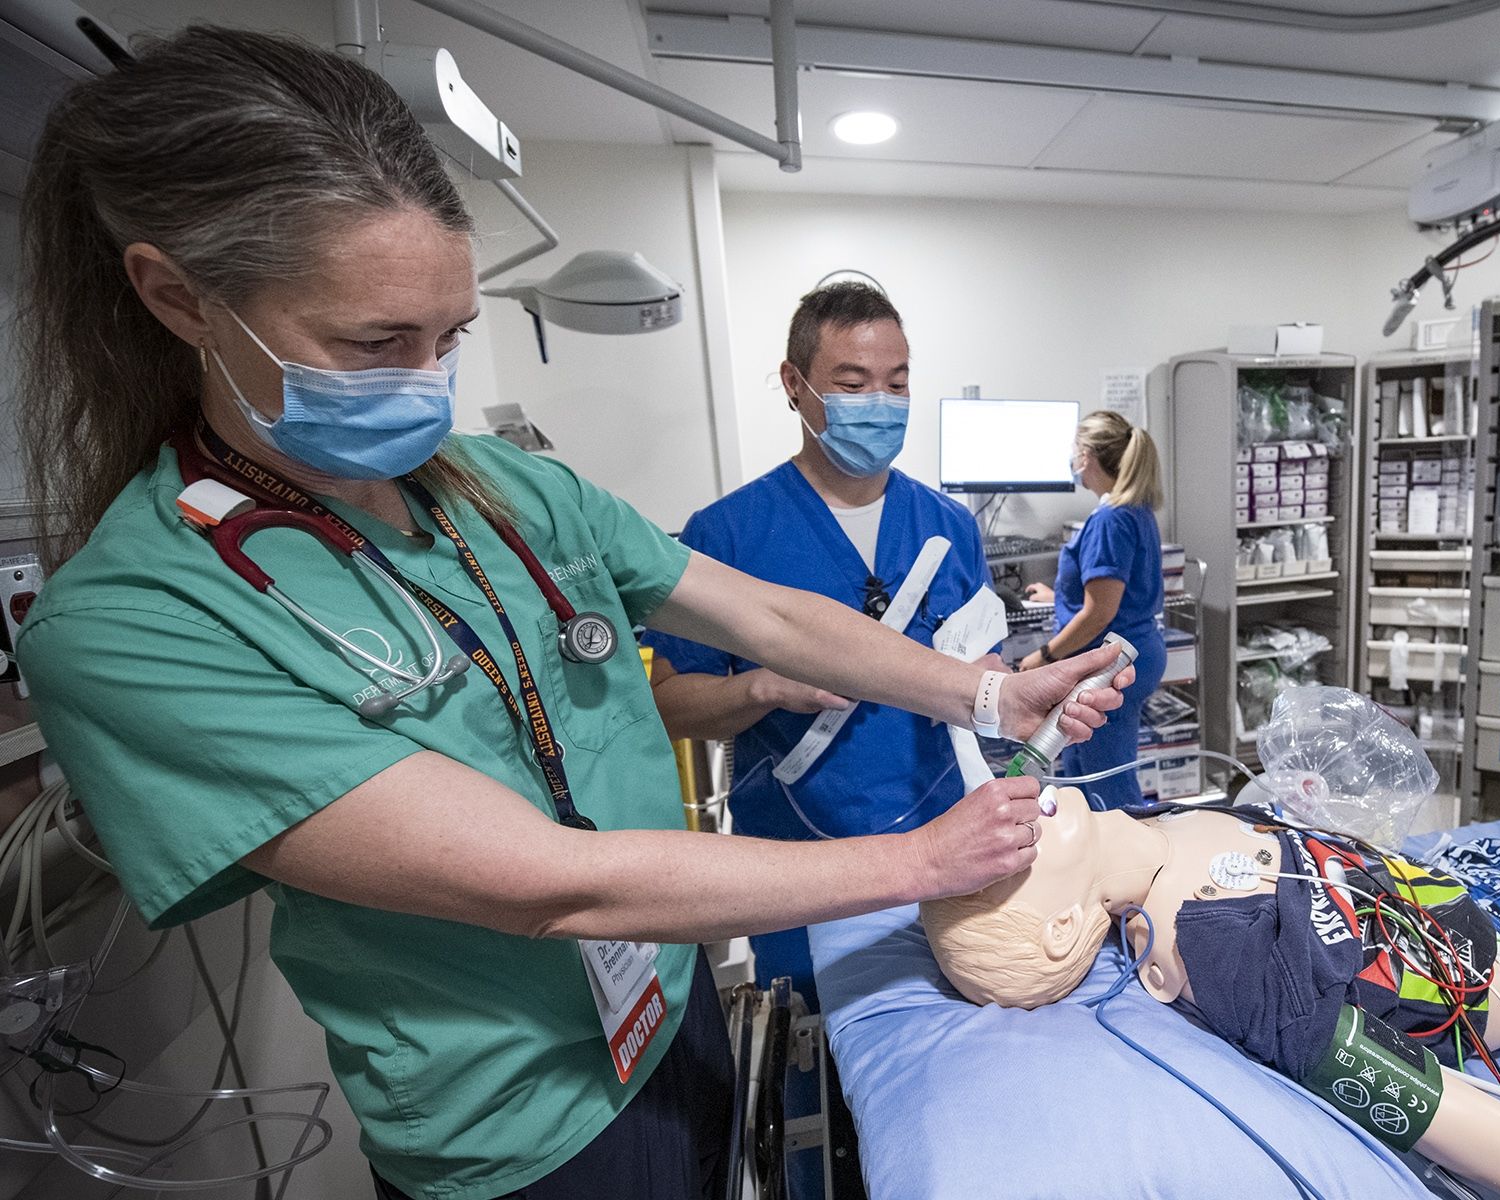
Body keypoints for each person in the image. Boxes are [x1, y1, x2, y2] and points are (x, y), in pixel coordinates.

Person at [13, 28, 1135, 1200]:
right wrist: (918, 860)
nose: (425, 381)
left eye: (447, 339)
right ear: (178, 298)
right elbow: (550, 881)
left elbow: (769, 615)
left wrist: (995, 691)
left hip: (670, 1001)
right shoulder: (134, 624)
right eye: (374, 343)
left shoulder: (507, 489)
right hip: (517, 1123)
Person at [922, 781, 1500, 1200]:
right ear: (1064, 930)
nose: (997, 825)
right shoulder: (1214, 954)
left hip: (1455, 888)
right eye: (993, 868)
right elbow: (1435, 1110)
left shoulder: (1153, 823)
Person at [643, 282, 996, 1005]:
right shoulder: (727, 535)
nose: (883, 402)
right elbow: (671, 706)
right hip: (797, 861)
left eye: (898, 383)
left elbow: (981, 662)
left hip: (946, 835)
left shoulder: (948, 527)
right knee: (814, 1062)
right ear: (795, 385)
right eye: (854, 383)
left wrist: (1001, 687)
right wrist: (762, 688)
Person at [1022, 410, 1168, 808]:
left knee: (1105, 777)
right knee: (1078, 765)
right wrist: (1059, 597)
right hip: (1131, 651)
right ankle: (1086, 849)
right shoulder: (1133, 510)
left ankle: (1132, 861)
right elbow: (1114, 591)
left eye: (1074, 451)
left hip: (1111, 663)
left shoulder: (1110, 519)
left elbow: (1099, 613)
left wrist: (1044, 656)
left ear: (1086, 455)